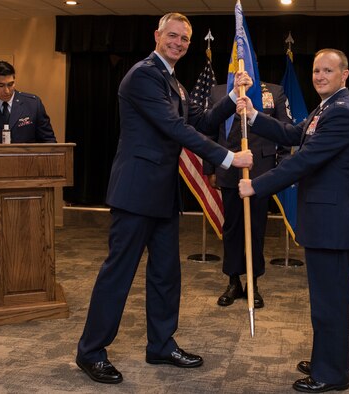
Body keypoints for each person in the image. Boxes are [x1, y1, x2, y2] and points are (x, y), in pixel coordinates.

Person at [75, 13, 253, 385]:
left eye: (184, 39)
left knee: (166, 274)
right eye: (172, 35)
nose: (178, 42)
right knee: (118, 276)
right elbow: (174, 128)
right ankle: (91, 352)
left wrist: (234, 96)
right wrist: (228, 158)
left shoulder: (172, 81)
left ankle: (160, 344)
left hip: (161, 195)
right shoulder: (143, 75)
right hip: (135, 192)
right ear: (156, 35)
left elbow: (198, 123)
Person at [238, 48, 349, 393]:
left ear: (344, 75)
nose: (320, 76)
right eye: (316, 70)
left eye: (327, 71)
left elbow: (304, 160)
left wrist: (256, 186)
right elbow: (295, 133)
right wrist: (253, 116)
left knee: (329, 301)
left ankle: (331, 374)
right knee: (330, 298)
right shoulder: (327, 108)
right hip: (328, 219)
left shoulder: (342, 113)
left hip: (332, 222)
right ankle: (332, 358)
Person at [204, 82, 291, 309]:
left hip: (262, 171)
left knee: (256, 228)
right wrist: (210, 169)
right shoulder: (219, 91)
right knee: (232, 228)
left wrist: (279, 169)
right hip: (229, 168)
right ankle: (233, 281)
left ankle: (253, 283)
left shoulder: (274, 91)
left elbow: (285, 129)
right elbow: (210, 132)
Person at [0, 60, 57, 218]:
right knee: (1, 234)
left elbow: (49, 141)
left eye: (11, 84)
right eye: (1, 85)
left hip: (29, 180)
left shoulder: (32, 104)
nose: (7, 90)